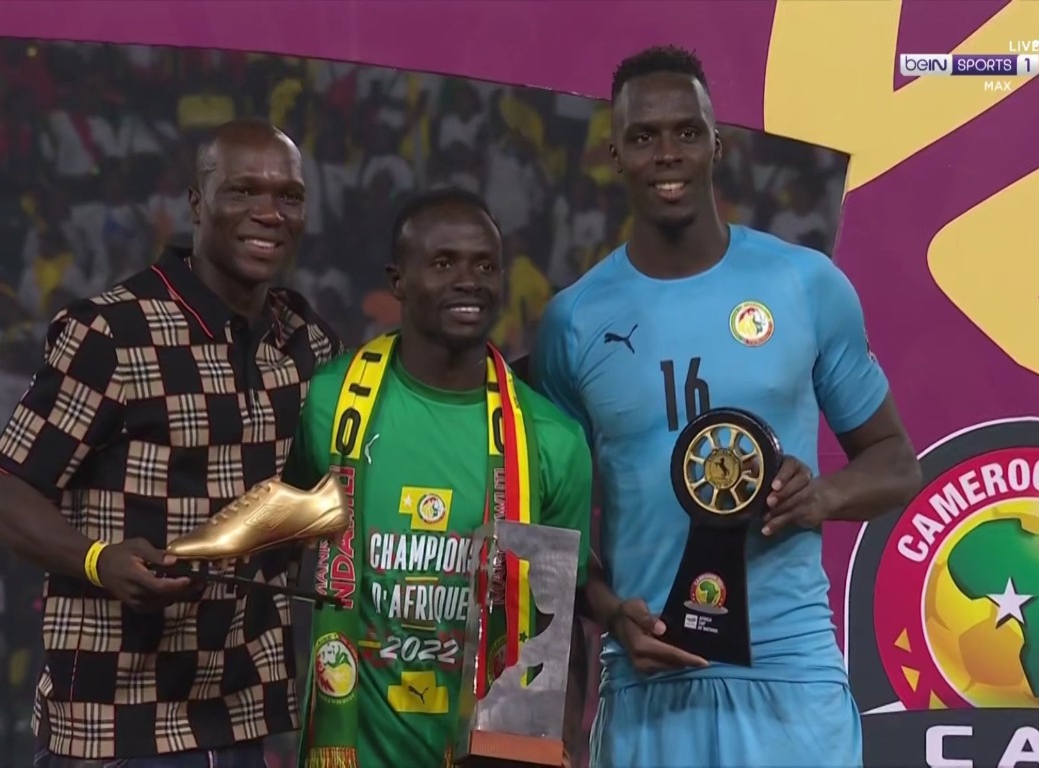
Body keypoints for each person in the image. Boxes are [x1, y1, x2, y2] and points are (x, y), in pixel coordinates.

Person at [531, 47, 922, 767]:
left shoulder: (806, 284)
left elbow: (897, 461)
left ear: (718, 143)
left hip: (790, 676)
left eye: (686, 132)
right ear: (614, 154)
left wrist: (822, 496)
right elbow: (547, 533)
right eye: (643, 137)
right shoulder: (573, 323)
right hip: (648, 684)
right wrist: (613, 615)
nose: (667, 154)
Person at [0, 118, 343, 767]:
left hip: (239, 719)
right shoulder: (113, 332)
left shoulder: (307, 342)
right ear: (197, 204)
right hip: (114, 726)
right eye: (243, 191)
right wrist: (98, 561)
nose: (269, 213)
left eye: (289, 196)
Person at [283, 188, 593, 768]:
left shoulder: (553, 440)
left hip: (493, 754)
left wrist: (561, 743)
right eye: (444, 263)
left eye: (485, 266)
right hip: (355, 749)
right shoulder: (328, 403)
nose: (468, 281)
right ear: (397, 281)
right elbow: (278, 543)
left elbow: (558, 624)